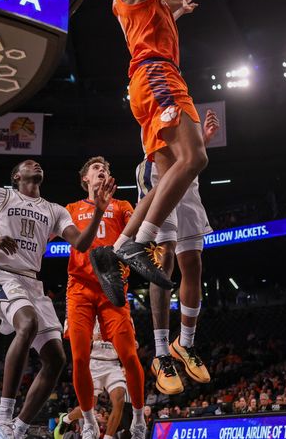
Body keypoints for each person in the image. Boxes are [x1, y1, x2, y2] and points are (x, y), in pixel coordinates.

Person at [0, 159, 115, 439]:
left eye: (39, 163)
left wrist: (99, 212)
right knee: (26, 324)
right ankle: (2, 420)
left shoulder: (55, 210)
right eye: (28, 163)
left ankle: (18, 428)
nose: (35, 163)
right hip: (1, 275)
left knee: (55, 359)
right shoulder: (0, 195)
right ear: (17, 175)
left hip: (32, 282)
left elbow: (81, 243)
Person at [101, 0, 210, 276]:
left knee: (168, 178)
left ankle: (117, 249)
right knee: (195, 159)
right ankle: (137, 242)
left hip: (149, 82)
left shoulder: (148, 4)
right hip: (158, 77)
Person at [58, 156, 146, 439]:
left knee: (130, 356)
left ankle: (139, 420)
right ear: (85, 178)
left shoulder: (122, 205)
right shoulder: (71, 209)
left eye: (106, 169)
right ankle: (87, 420)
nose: (103, 172)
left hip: (113, 288)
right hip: (80, 287)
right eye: (97, 169)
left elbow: (137, 233)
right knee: (80, 358)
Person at [141, 110, 219, 394]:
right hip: (160, 175)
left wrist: (203, 141)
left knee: (194, 264)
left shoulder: (185, 103)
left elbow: (188, 150)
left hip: (188, 181)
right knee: (164, 260)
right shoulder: (152, 93)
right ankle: (161, 353)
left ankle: (184, 343)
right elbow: (166, 145)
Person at [55, 320, 130, 439]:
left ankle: (108, 437)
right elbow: (76, 341)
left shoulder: (119, 317)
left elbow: (127, 340)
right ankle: (67, 418)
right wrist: (91, 338)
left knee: (119, 400)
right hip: (94, 363)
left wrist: (132, 344)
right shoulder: (90, 316)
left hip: (113, 364)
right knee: (89, 406)